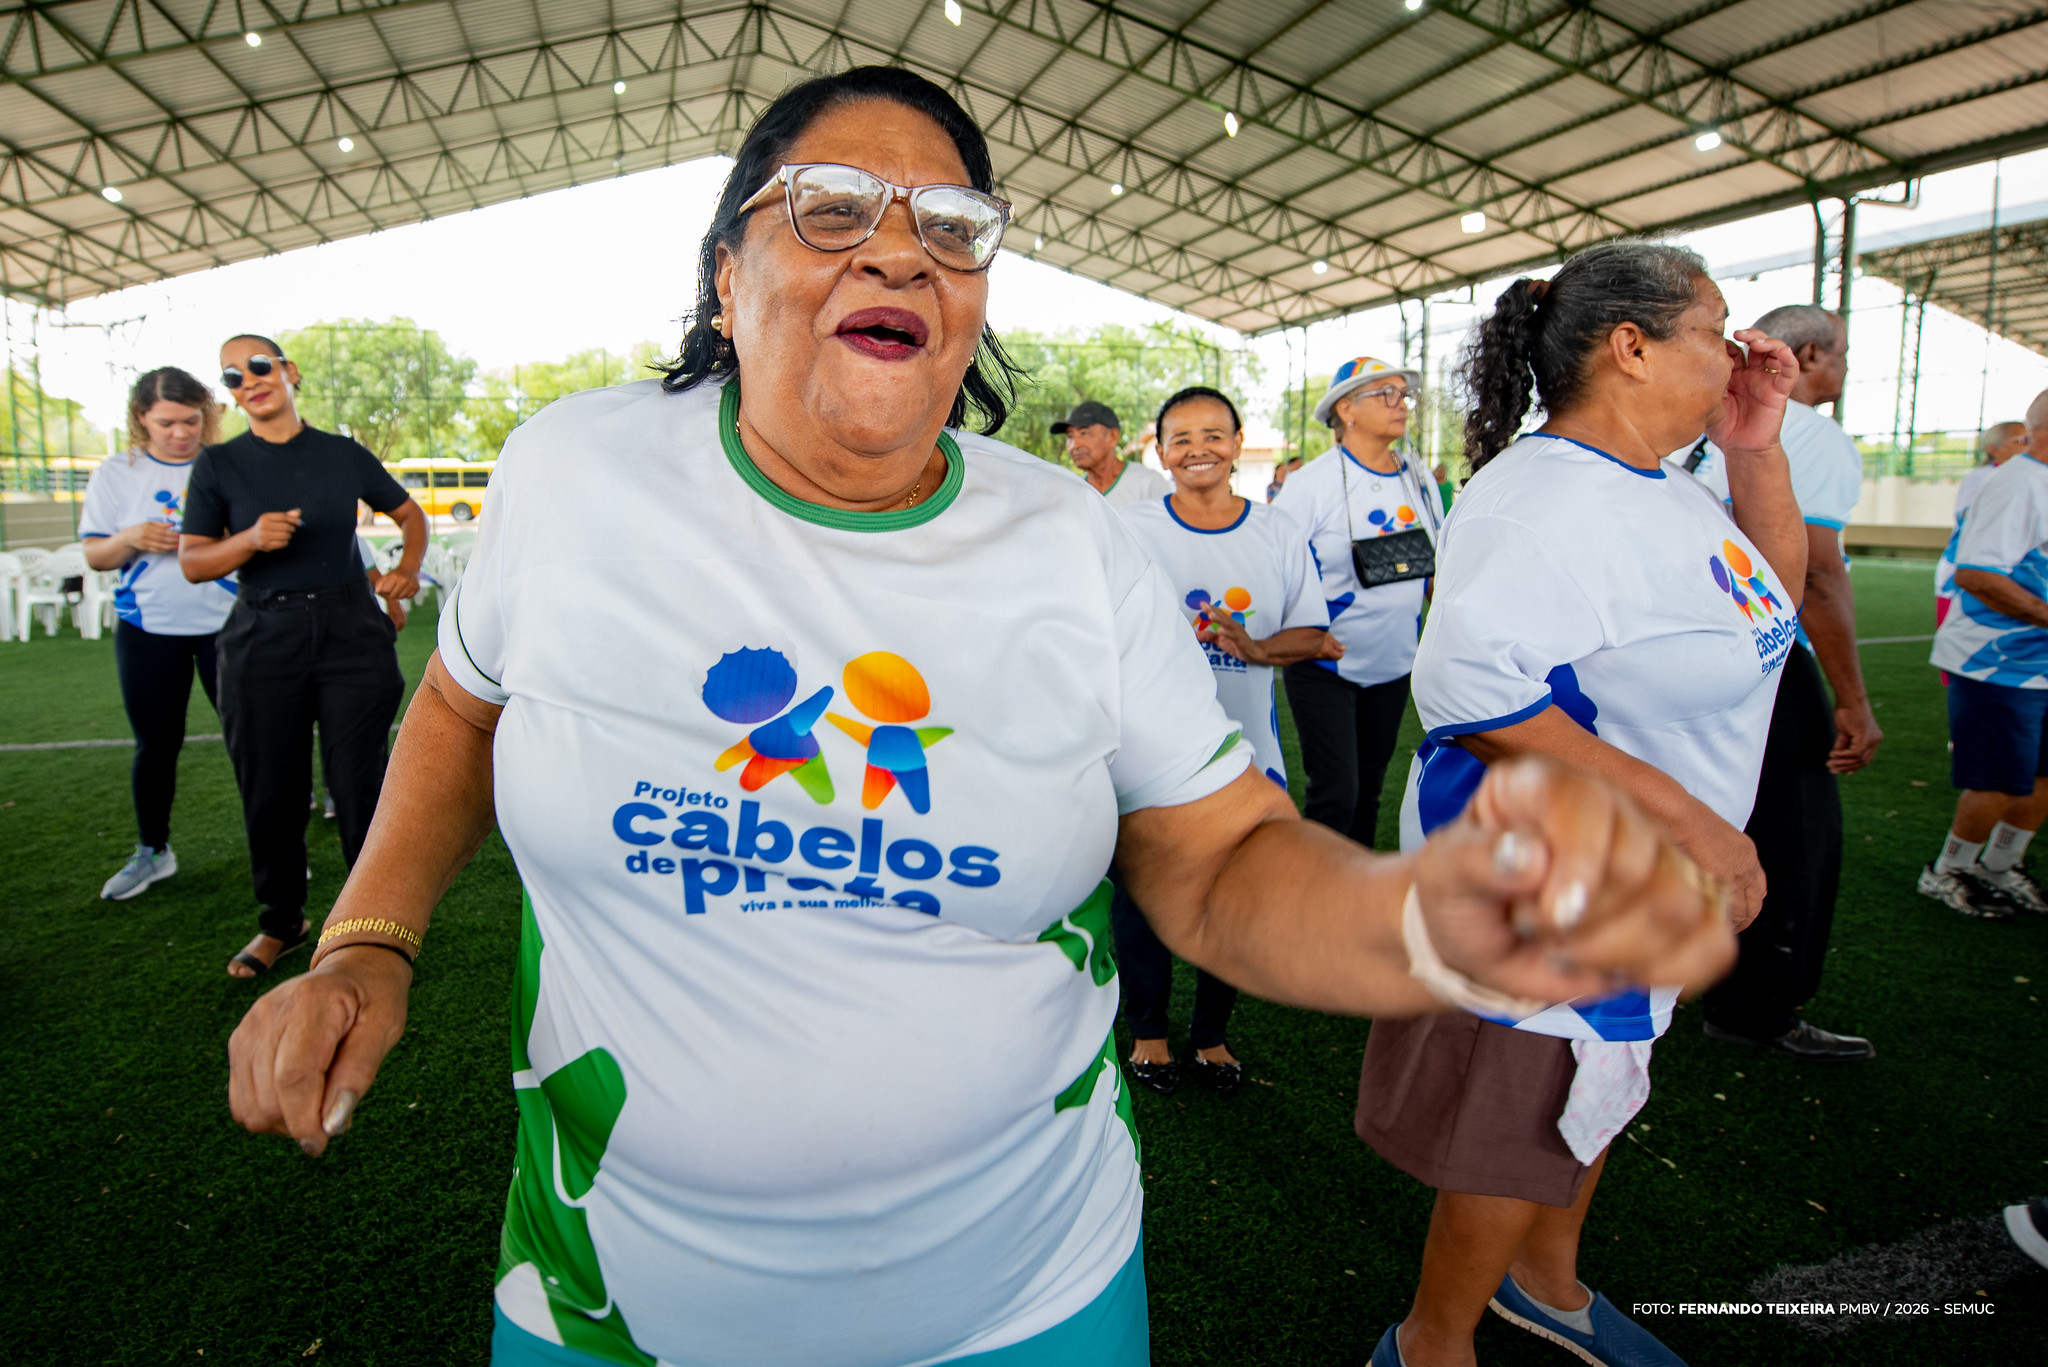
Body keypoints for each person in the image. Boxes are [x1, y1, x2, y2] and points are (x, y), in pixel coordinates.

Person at [221, 68, 1735, 1367]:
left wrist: (1429, 918)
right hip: (607, 1289)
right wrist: (371, 936)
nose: (898, 255)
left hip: (1026, 1292)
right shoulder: (577, 473)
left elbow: (1214, 861)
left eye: (950, 230)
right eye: (828, 209)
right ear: (724, 275)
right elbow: (460, 701)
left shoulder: (1072, 542)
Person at [1372, 242, 1805, 1367]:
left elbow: (1768, 604)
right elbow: (1466, 691)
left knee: (1597, 1085)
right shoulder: (1542, 503)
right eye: (1714, 331)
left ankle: (1543, 1284)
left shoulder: (1662, 482)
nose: (1739, 352)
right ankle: (1430, 1341)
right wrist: (1691, 818)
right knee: (1519, 1117)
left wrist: (1754, 447)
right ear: (1630, 347)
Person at [178, 335, 428, 978]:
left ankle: (368, 926)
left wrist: (407, 569)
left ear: (289, 372)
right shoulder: (218, 466)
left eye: (259, 366)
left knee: (359, 788)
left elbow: (409, 515)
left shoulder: (341, 454)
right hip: (263, 636)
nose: (249, 380)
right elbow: (193, 563)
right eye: (232, 375)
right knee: (271, 791)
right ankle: (282, 923)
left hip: (349, 630)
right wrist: (250, 540)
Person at [1113, 386, 1331, 1096]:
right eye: (1181, 437)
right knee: (1142, 896)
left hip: (1247, 755)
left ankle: (1210, 1034)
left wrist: (1259, 646)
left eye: (1214, 434)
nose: (1197, 448)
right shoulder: (1131, 526)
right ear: (1159, 449)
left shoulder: (1277, 531)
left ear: (1239, 444)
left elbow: (1318, 633)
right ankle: (1149, 1032)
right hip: (1146, 752)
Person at [1685, 305, 1877, 1062]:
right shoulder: (1809, 434)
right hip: (1766, 651)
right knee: (1795, 831)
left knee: (1715, 810)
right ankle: (1758, 1005)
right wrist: (1852, 699)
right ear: (1803, 355)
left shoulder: (1700, 425)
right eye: (1841, 357)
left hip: (1694, 651)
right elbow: (1820, 576)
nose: (1843, 373)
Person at [1272, 356, 1444, 848]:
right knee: (1336, 794)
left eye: (1403, 394)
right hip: (1326, 663)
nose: (1401, 404)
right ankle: (1316, 905)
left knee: (1369, 789)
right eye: (1385, 394)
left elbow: (1434, 560)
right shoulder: (1311, 483)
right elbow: (1276, 562)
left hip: (1394, 662)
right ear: (1346, 409)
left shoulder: (1418, 476)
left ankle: (1358, 890)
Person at [79, 367, 238, 900]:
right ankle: (153, 851)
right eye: (167, 422)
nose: (181, 432)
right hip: (147, 629)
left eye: (192, 420)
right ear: (141, 419)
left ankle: (277, 848)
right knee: (156, 745)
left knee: (254, 744)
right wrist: (130, 537)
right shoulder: (115, 473)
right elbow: (96, 555)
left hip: (230, 627)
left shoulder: (230, 466)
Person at [1922, 388, 2048, 918]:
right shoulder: (2018, 482)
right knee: (1996, 781)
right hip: (1997, 664)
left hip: (2037, 664)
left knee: (2041, 777)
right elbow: (1977, 574)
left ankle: (2000, 867)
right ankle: (1948, 872)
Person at [1936, 421, 2029, 625]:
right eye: (2022, 440)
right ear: (1993, 448)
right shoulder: (1981, 478)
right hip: (1965, 567)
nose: (2029, 445)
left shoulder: (2027, 477)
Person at [1056, 399, 1168, 508]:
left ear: (1112, 436)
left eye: (1084, 433)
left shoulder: (1148, 483)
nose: (1075, 445)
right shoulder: (1074, 491)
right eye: (1069, 436)